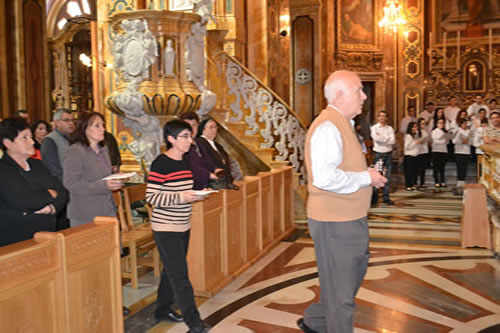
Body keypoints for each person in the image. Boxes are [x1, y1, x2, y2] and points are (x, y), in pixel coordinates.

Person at [298, 70, 386, 333]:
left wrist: (366, 175)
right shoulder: (328, 127)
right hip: (334, 221)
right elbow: (323, 177)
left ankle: (315, 320)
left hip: (348, 217)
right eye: (358, 90)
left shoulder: (342, 124)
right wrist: (365, 177)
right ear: (339, 95)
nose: (363, 96)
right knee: (342, 296)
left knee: (344, 282)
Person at [145, 119, 210, 333]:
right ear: (171, 139)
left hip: (183, 224)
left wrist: (195, 196)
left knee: (170, 270)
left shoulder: (185, 161)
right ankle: (194, 322)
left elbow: (182, 192)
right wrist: (182, 196)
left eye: (190, 136)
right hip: (165, 228)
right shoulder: (161, 163)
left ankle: (162, 309)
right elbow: (152, 196)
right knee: (180, 275)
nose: (190, 141)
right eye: (185, 136)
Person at [0, 117, 68, 247]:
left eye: (31, 137)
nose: (31, 142)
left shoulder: (37, 164)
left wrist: (51, 208)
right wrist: (49, 194)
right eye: (24, 137)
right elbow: (23, 200)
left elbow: (62, 192)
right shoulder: (3, 170)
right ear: (8, 143)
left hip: (47, 235)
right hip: (17, 239)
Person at [63, 112, 123, 227]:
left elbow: (102, 175)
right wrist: (104, 185)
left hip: (107, 208)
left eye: (103, 125)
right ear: (84, 128)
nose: (102, 129)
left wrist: (115, 177)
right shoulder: (75, 151)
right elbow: (72, 183)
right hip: (86, 213)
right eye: (97, 126)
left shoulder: (103, 150)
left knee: (113, 244)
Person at [179, 112, 221, 190]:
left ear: (198, 126)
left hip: (205, 185)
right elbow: (188, 165)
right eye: (187, 125)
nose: (191, 129)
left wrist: (215, 169)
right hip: (190, 187)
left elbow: (206, 160)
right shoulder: (181, 145)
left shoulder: (199, 142)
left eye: (194, 125)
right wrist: (208, 174)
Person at [196, 117, 239, 189]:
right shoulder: (200, 142)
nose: (214, 130)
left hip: (223, 179)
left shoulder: (217, 145)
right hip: (212, 181)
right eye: (211, 127)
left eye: (215, 127)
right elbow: (206, 159)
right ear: (203, 130)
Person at [41, 108, 75, 181]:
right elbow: (53, 169)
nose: (71, 123)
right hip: (62, 184)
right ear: (56, 123)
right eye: (66, 120)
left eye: (72, 120)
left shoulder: (75, 138)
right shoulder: (49, 141)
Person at [370, 110, 395, 205]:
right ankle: (374, 198)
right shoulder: (374, 128)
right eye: (380, 116)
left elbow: (392, 141)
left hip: (388, 154)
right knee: (376, 176)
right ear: (377, 118)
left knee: (387, 177)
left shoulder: (390, 128)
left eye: (384, 116)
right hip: (378, 154)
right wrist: (387, 138)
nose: (382, 118)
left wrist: (383, 137)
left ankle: (386, 197)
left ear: (387, 118)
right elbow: (377, 139)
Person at [453, 119, 472, 195]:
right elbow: (454, 141)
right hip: (458, 151)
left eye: (466, 123)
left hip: (466, 151)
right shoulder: (457, 131)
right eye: (463, 123)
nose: (465, 125)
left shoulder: (469, 131)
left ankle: (463, 181)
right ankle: (459, 182)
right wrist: (461, 141)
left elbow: (472, 141)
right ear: (460, 124)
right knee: (459, 167)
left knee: (465, 167)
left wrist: (468, 141)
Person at [431, 119, 452, 188]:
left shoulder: (445, 131)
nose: (441, 124)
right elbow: (435, 141)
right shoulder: (434, 131)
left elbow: (447, 142)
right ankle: (436, 181)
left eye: (442, 123)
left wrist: (446, 140)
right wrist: (444, 141)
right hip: (436, 151)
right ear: (437, 124)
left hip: (443, 150)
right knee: (436, 167)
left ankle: (442, 181)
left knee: (442, 167)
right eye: (440, 123)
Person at [403, 122, 420, 191]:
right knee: (409, 172)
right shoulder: (408, 136)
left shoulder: (415, 136)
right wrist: (415, 143)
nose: (416, 128)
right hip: (409, 156)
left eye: (416, 127)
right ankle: (408, 185)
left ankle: (413, 184)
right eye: (414, 127)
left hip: (415, 155)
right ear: (411, 128)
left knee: (414, 171)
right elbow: (407, 147)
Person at [416, 118, 431, 188]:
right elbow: (416, 141)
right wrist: (421, 141)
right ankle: (415, 183)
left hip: (425, 151)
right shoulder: (416, 131)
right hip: (419, 151)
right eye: (422, 123)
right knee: (417, 168)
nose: (424, 125)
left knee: (423, 168)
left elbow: (428, 140)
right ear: (419, 124)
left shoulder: (426, 131)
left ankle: (422, 183)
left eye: (425, 123)